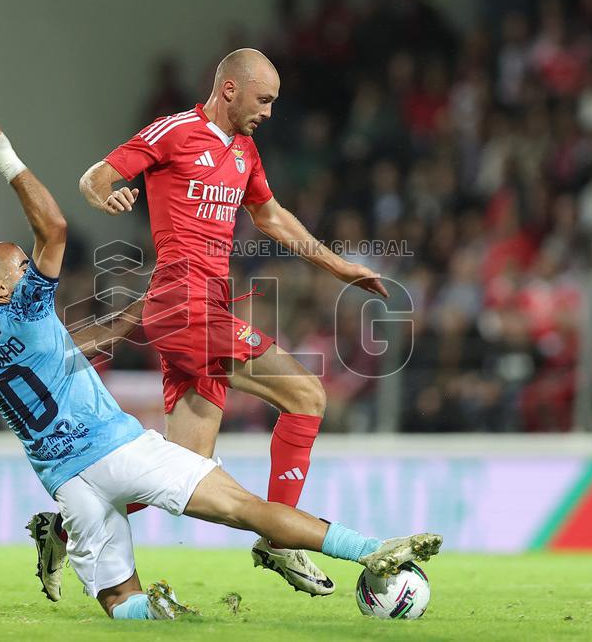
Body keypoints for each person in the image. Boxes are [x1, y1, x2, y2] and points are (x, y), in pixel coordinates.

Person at [0, 110, 441, 618]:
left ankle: (61, 532)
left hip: (69, 484)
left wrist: (139, 309)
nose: (270, 110)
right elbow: (56, 225)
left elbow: (73, 348)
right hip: (142, 406)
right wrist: (5, 157)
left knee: (129, 589)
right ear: (0, 288)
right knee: (303, 402)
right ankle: (331, 545)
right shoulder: (28, 309)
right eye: (20, 266)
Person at [78, 48, 388, 595]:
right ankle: (282, 540)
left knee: (186, 468)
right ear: (230, 89)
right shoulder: (174, 131)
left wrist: (339, 267)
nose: (269, 112)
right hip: (181, 305)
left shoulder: (245, 151)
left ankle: (68, 522)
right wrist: (107, 194)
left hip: (208, 310)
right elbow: (96, 177)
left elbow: (269, 215)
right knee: (308, 395)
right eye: (263, 99)